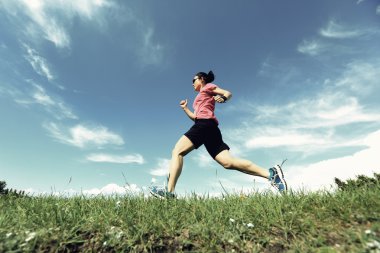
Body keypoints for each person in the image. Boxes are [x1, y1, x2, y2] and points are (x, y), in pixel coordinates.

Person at [149, 71, 287, 198]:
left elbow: (227, 92)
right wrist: (185, 108)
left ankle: (169, 192)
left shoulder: (207, 87)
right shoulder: (199, 97)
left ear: (202, 79)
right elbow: (196, 117)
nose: (192, 83)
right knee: (228, 162)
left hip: (204, 125)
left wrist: (224, 98)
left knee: (177, 151)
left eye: (194, 80)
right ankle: (271, 174)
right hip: (209, 127)